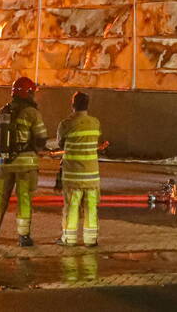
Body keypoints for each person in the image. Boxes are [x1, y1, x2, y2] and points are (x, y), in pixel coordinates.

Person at [0, 76, 48, 247]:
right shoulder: (32, 113)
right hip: (25, 164)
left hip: (4, 162)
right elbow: (41, 138)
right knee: (24, 198)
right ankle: (23, 236)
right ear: (29, 93)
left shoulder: (3, 111)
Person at [56, 91, 102, 247]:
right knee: (91, 208)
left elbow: (61, 144)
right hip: (92, 175)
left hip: (73, 175)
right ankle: (90, 240)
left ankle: (69, 239)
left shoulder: (66, 124)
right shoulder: (95, 122)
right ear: (87, 105)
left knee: (72, 207)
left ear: (73, 105)